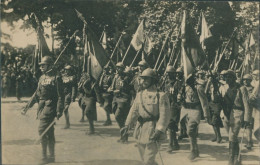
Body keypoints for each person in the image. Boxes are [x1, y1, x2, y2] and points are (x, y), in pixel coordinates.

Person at [121, 68, 171, 165]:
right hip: (141, 130)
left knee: (148, 160)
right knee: (145, 159)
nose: (143, 81)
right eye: (142, 79)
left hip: (153, 130)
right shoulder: (139, 94)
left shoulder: (161, 96)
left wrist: (159, 130)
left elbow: (165, 115)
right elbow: (133, 111)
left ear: (153, 80)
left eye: (147, 79)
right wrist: (127, 125)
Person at [22, 56, 64, 164]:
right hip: (42, 107)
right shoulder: (41, 78)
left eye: (43, 65)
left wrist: (59, 110)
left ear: (50, 65)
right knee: (49, 132)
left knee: (41, 130)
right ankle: (51, 157)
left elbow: (60, 96)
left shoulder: (57, 77)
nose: (41, 67)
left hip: (51, 107)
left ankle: (45, 157)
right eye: (40, 65)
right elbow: (37, 94)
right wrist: (27, 107)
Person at [178, 72, 210, 160]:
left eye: (190, 80)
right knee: (191, 132)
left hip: (195, 110)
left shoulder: (198, 88)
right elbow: (181, 98)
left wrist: (206, 114)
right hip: (186, 110)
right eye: (187, 80)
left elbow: (204, 102)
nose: (188, 81)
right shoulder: (184, 87)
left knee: (190, 130)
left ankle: (192, 151)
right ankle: (195, 150)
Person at [222, 70, 252, 165]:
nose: (227, 79)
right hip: (228, 113)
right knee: (232, 137)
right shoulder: (226, 88)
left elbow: (246, 104)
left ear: (234, 78)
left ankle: (231, 158)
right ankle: (237, 158)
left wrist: (247, 119)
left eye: (229, 77)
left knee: (232, 136)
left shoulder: (241, 88)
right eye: (226, 77)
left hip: (238, 113)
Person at [108, 62, 132, 143]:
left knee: (119, 116)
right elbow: (112, 86)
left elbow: (129, 88)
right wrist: (110, 89)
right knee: (118, 117)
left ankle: (125, 135)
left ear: (123, 69)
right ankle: (123, 136)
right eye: (117, 68)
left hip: (124, 99)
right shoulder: (116, 77)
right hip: (115, 99)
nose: (118, 69)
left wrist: (120, 90)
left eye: (120, 68)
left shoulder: (126, 77)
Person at [164, 65, 180, 152]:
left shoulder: (178, 83)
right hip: (167, 106)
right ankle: (175, 143)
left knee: (171, 124)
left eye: (171, 73)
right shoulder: (166, 83)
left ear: (174, 74)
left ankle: (170, 145)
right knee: (171, 126)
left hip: (175, 106)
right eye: (168, 73)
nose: (169, 75)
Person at [207, 71, 223, 143]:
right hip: (211, 103)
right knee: (212, 121)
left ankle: (219, 136)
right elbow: (206, 91)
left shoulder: (219, 83)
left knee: (215, 120)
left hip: (217, 103)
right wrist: (209, 82)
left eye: (212, 76)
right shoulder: (209, 84)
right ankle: (216, 135)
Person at [176, 67, 188, 140]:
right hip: (178, 100)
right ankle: (182, 132)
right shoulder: (176, 81)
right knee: (179, 118)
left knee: (183, 117)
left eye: (179, 73)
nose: (178, 74)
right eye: (177, 73)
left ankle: (184, 132)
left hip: (184, 100)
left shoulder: (185, 81)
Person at [249, 70, 260, 142]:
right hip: (254, 104)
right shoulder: (253, 82)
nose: (253, 76)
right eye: (253, 74)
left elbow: (255, 93)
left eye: (255, 75)